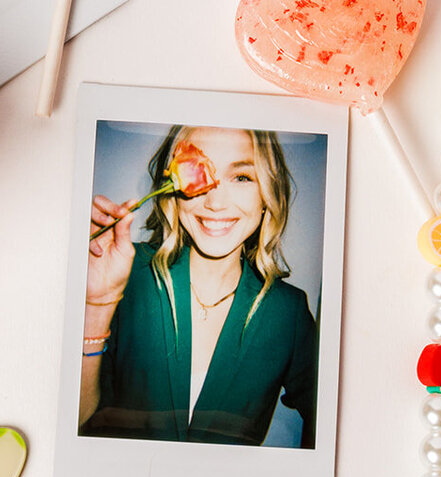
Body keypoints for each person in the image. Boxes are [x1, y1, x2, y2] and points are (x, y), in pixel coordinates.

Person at [81, 126, 318, 447]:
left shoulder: (288, 313)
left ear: (267, 196)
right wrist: (97, 305)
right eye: (197, 172)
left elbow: (338, 425)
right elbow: (78, 422)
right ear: (173, 192)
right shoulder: (125, 270)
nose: (215, 202)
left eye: (242, 177)